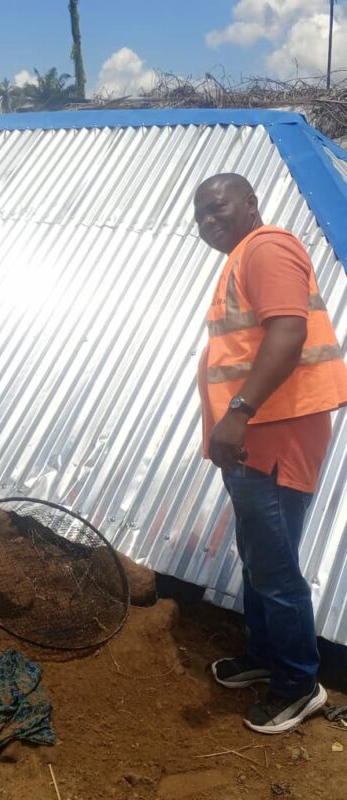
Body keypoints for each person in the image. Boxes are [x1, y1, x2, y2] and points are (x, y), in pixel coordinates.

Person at [194, 173, 347, 734]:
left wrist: (238, 412)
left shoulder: (267, 247)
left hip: (274, 434)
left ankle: (298, 684)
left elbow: (288, 333)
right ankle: (264, 655)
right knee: (259, 555)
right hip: (256, 439)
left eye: (218, 207)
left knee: (276, 567)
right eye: (200, 216)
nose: (208, 221)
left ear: (251, 203)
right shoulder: (244, 257)